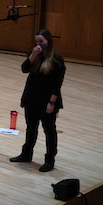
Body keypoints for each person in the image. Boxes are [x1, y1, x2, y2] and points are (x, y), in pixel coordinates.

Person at [11, 29, 65, 173]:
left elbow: (57, 84)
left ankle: (49, 160)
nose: (38, 45)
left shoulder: (57, 60)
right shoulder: (34, 55)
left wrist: (52, 103)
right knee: (31, 128)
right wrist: (33, 55)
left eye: (41, 42)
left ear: (48, 41)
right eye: (36, 42)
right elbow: (24, 69)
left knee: (49, 130)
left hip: (47, 100)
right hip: (31, 98)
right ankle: (26, 154)